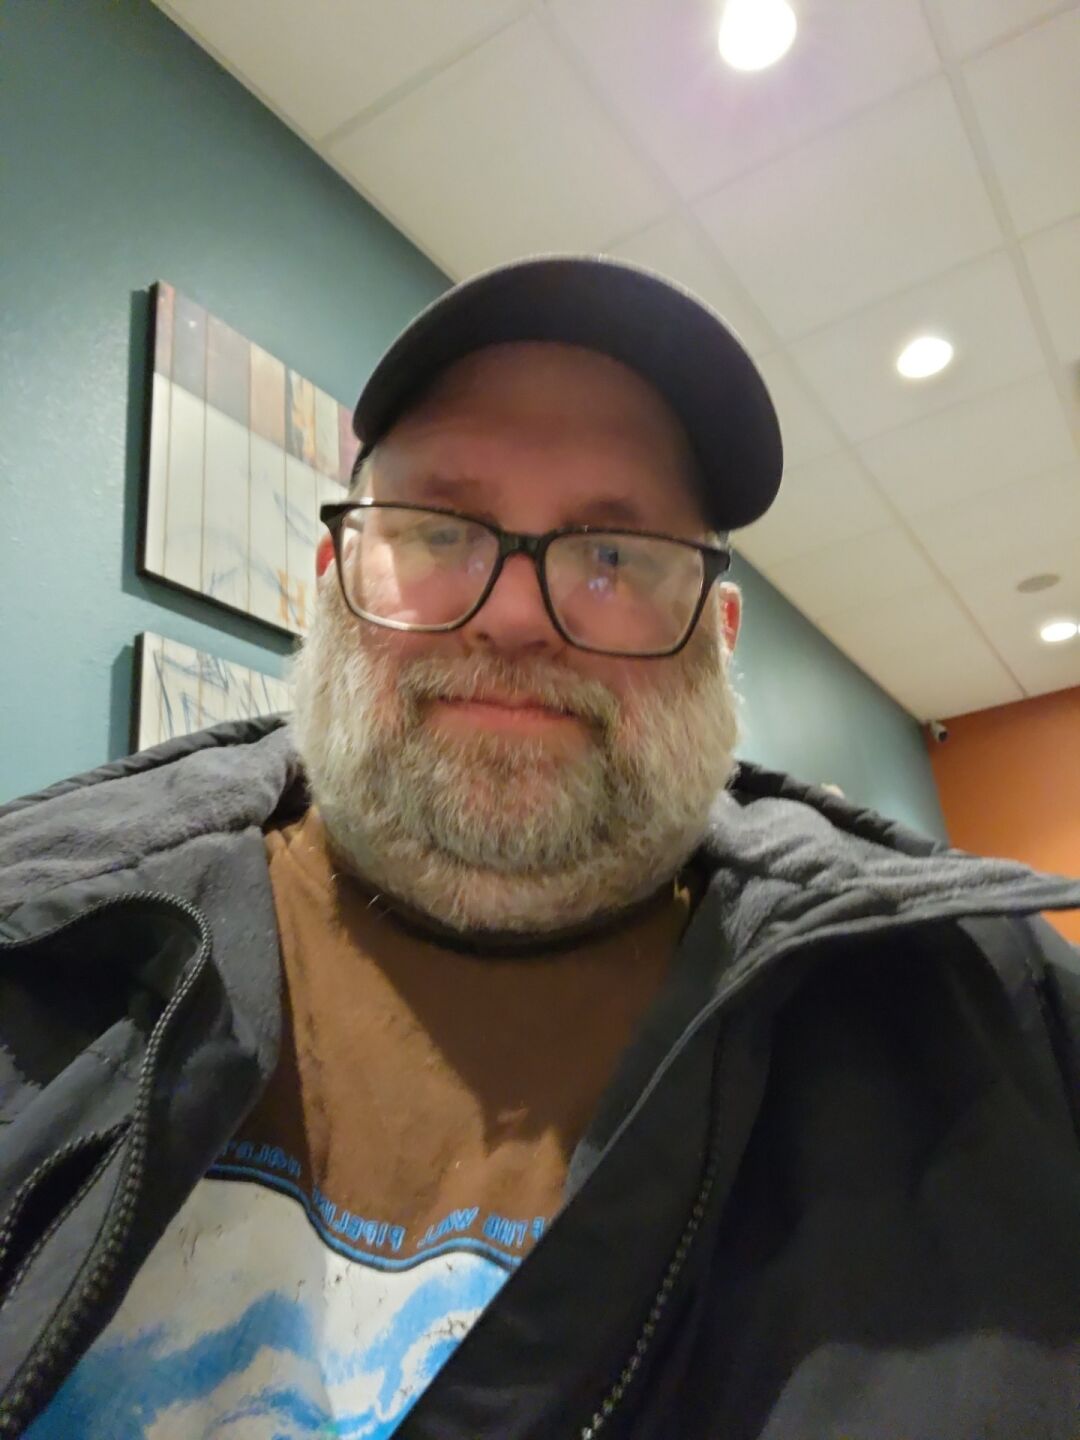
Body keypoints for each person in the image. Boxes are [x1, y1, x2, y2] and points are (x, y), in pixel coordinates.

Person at [1, 256, 1078, 1440]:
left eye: (614, 555)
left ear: (716, 634)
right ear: (332, 580)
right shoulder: (40, 924)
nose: (515, 616)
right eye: (438, 530)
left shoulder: (1002, 1033)